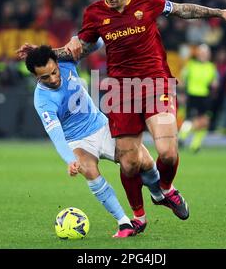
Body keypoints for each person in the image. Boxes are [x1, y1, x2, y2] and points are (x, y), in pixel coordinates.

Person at [18, 0, 226, 227]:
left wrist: (218, 12)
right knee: (131, 162)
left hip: (156, 82)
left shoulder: (148, 0)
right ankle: (136, 217)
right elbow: (81, 49)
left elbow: (182, 10)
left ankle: (166, 190)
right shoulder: (95, 13)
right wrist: (43, 54)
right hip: (122, 90)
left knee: (167, 152)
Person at [20, 44, 165, 237]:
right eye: (45, 77)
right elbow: (57, 136)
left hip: (101, 126)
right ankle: (124, 222)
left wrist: (69, 44)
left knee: (143, 161)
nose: (53, 79)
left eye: (54, 72)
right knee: (88, 168)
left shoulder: (66, 61)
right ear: (35, 77)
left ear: (56, 62)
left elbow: (97, 42)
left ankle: (158, 194)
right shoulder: (42, 101)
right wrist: (70, 160)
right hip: (77, 141)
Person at [178, 44, 218, 152]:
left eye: (206, 53)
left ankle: (195, 144)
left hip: (205, 96)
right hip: (192, 95)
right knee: (191, 119)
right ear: (198, 54)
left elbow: (215, 83)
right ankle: (182, 137)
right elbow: (181, 80)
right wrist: (181, 94)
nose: (204, 55)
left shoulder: (211, 67)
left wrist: (214, 86)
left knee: (204, 121)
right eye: (202, 53)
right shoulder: (191, 65)